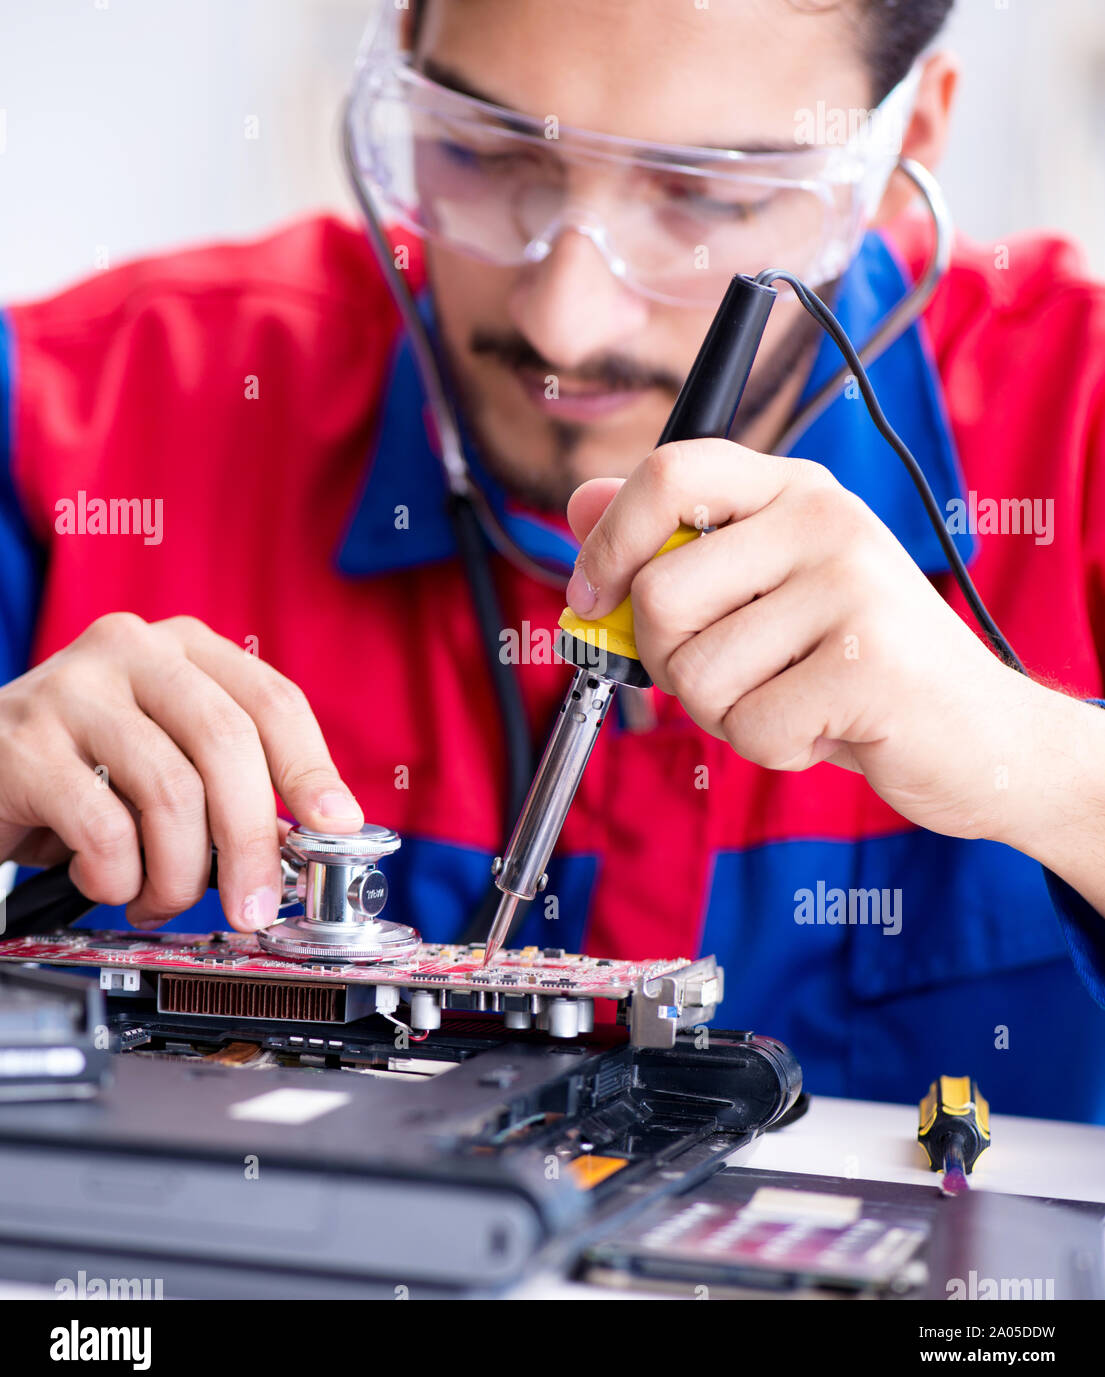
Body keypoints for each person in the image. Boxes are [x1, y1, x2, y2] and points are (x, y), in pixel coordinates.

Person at [2, 0, 1105, 1120]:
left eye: (707, 193)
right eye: (481, 151)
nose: (565, 323)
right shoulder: (63, 421)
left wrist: (1048, 768)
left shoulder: (1084, 425)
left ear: (908, 137)